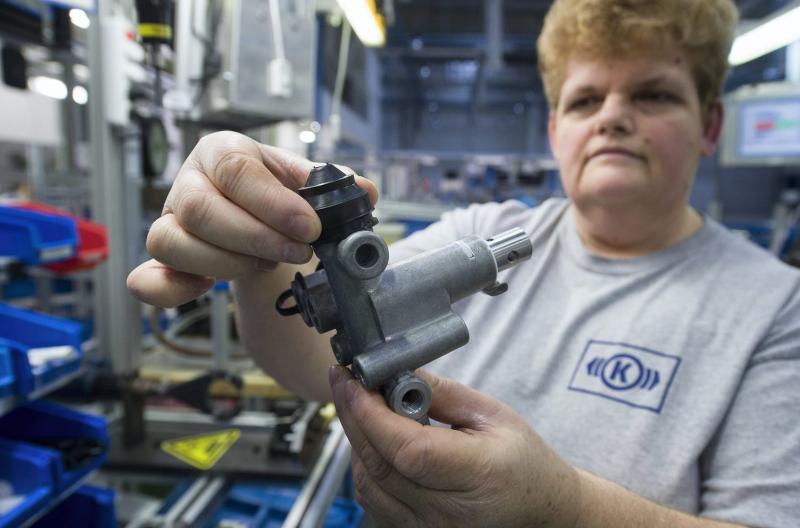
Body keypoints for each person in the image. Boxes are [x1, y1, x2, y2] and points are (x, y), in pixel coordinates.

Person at [128, 0, 800, 525]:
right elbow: (312, 360)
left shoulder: (775, 308)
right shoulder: (483, 231)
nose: (613, 118)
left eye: (653, 95)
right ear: (555, 130)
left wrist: (562, 512)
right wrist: (259, 255)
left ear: (710, 125)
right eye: (586, 99)